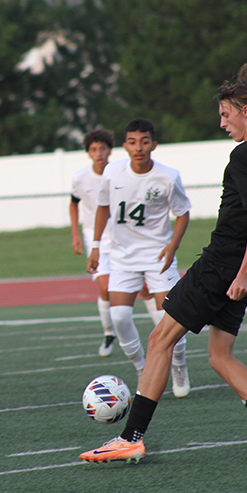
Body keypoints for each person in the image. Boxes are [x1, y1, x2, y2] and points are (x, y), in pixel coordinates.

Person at [79, 64, 247, 464]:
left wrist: (241, 275)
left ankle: (130, 437)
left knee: (160, 340)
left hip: (223, 265)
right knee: (220, 356)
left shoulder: (244, 155)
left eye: (226, 114)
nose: (222, 123)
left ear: (246, 110)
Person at [87, 119, 192, 397]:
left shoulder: (168, 176)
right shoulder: (112, 173)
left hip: (158, 256)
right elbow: (102, 208)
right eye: (132, 142)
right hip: (122, 257)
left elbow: (183, 213)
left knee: (170, 319)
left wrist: (173, 245)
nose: (139, 147)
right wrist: (96, 246)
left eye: (144, 141)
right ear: (124, 146)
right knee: (119, 316)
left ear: (153, 145)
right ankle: (142, 369)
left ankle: (178, 364)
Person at [70, 128, 117, 356]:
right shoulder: (80, 178)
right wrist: (76, 234)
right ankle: (109, 332)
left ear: (110, 150)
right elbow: (73, 203)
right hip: (94, 236)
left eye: (102, 149)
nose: (98, 153)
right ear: (88, 152)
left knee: (145, 288)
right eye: (93, 149)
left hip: (121, 235)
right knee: (105, 286)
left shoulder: (119, 173)